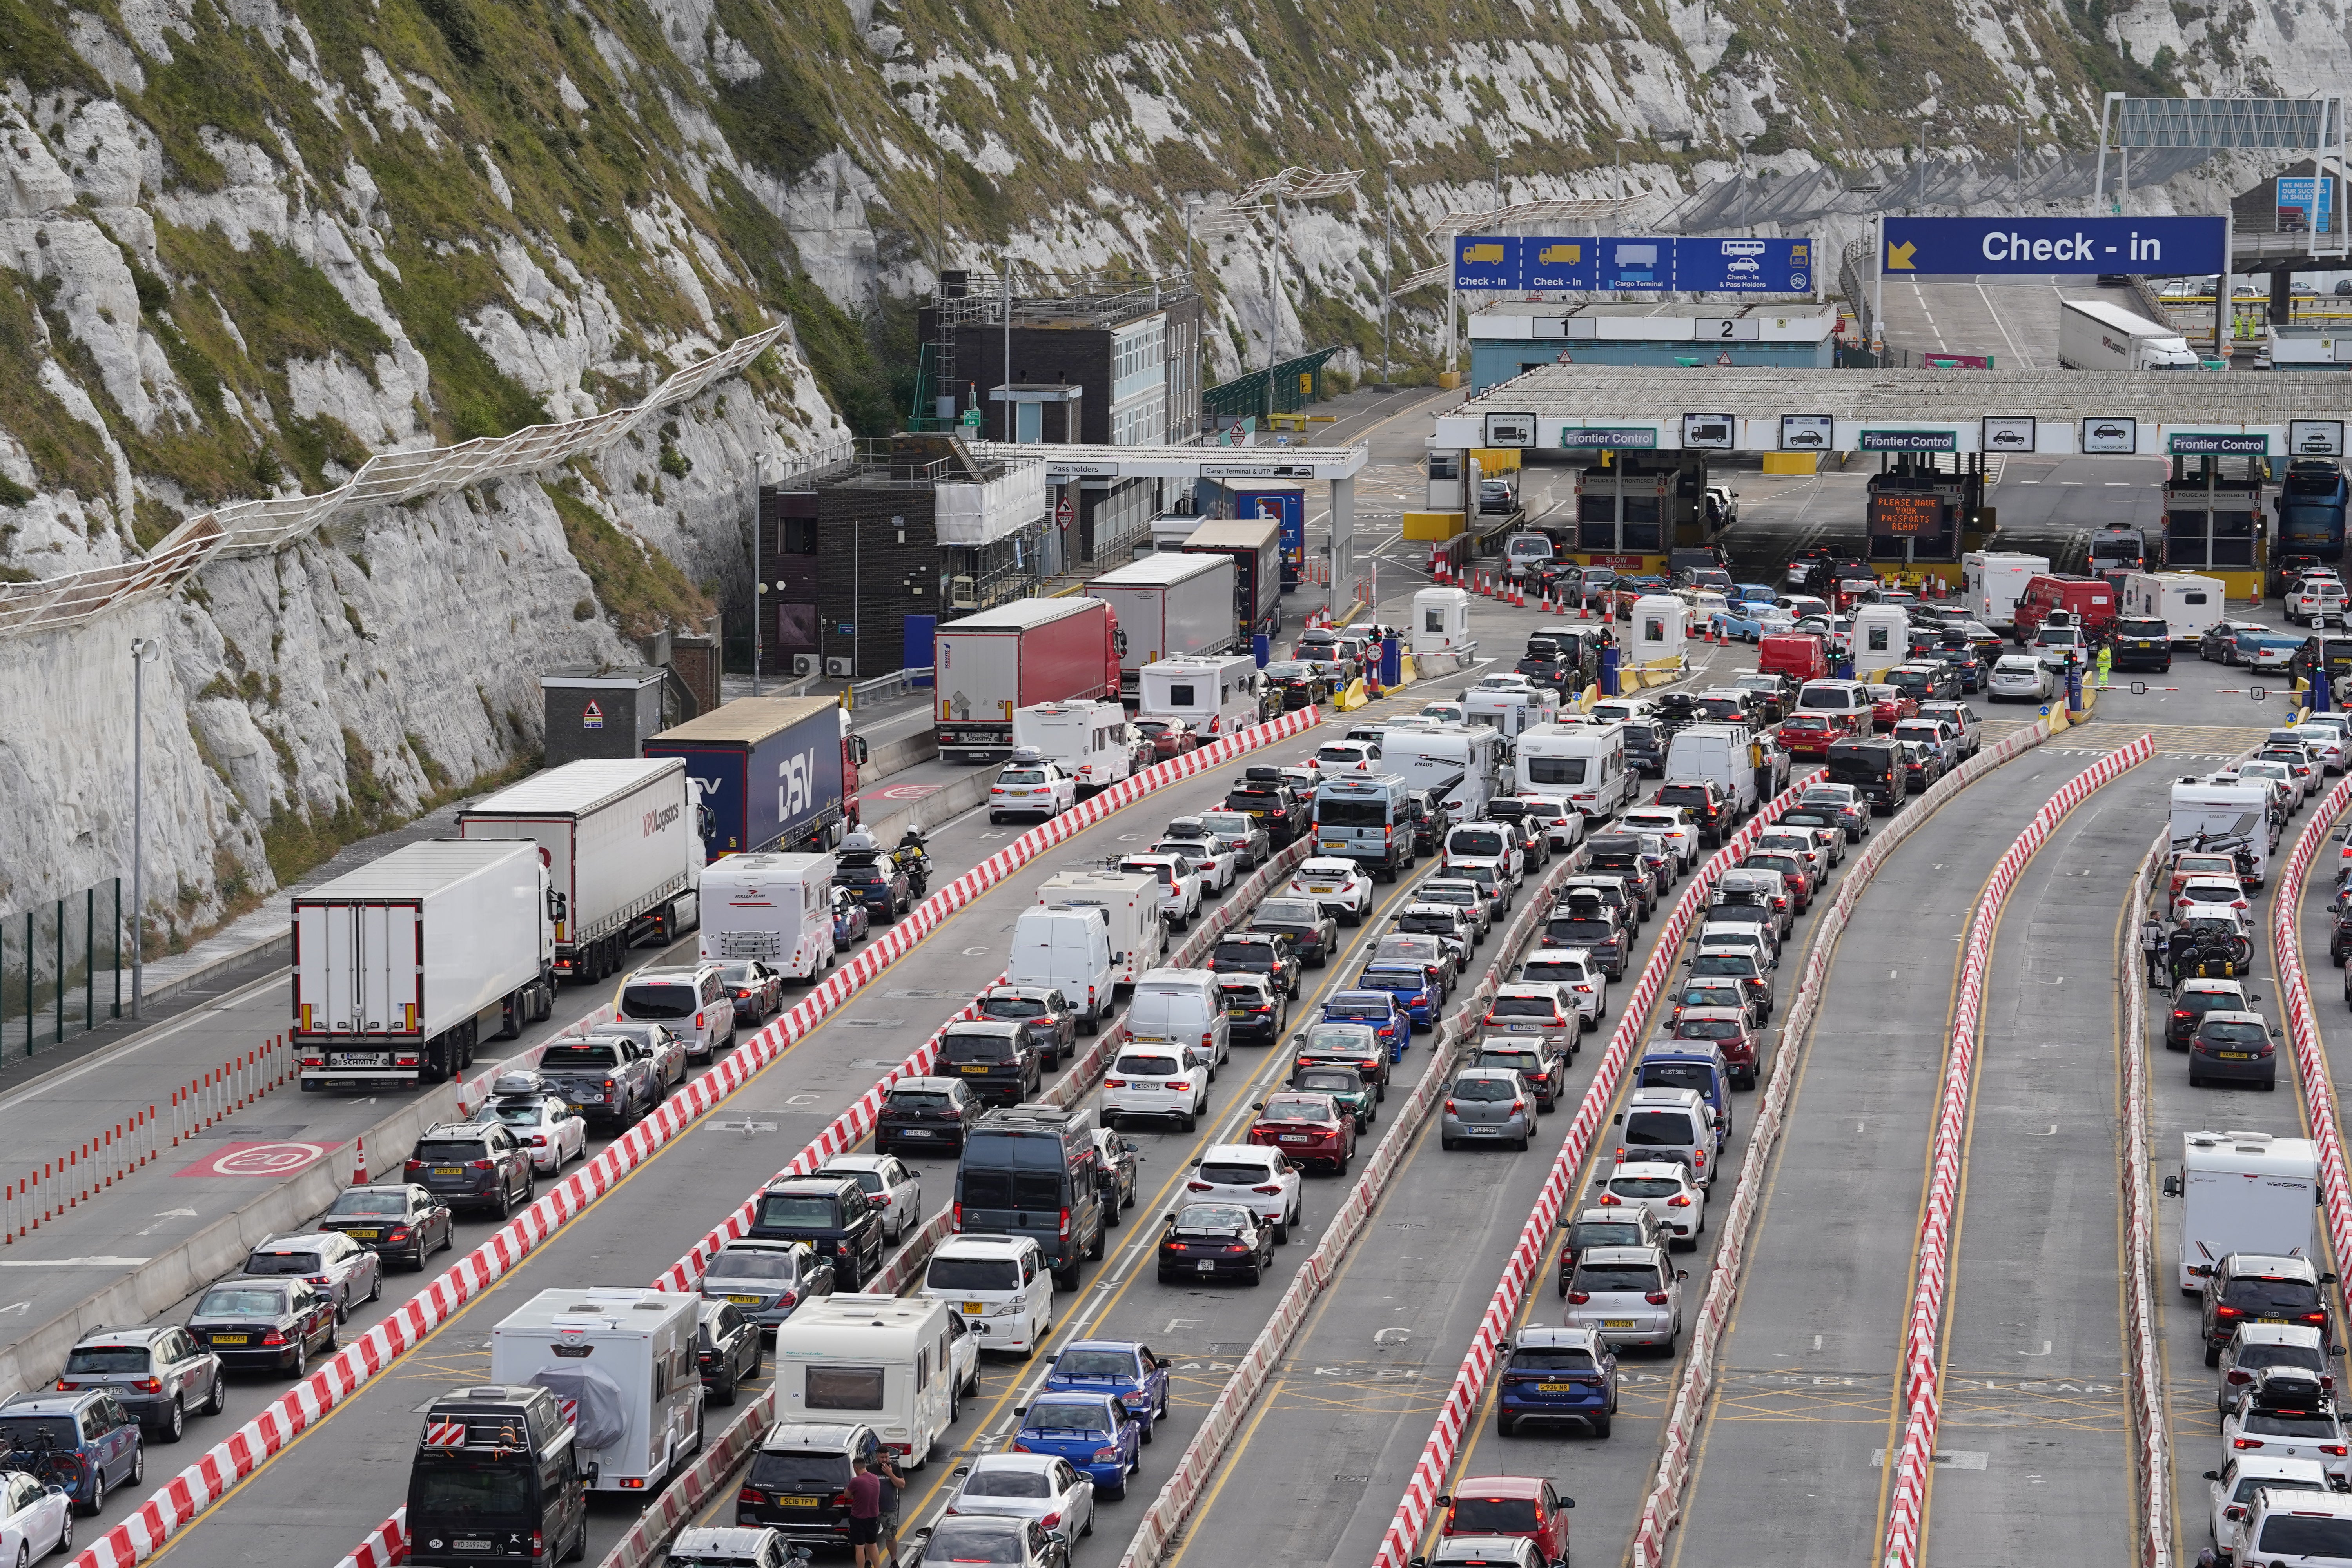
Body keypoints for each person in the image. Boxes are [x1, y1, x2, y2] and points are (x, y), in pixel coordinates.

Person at [846, 1451, 903, 1568]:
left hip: (888, 1509)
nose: (885, 1460)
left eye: (887, 1457)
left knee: (889, 1536)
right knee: (871, 1542)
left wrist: (890, 1474)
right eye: (882, 1457)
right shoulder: (872, 1471)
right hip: (873, 1512)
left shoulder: (896, 1468)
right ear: (877, 1456)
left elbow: (902, 1485)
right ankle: (869, 1562)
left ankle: (894, 1561)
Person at [2140, 916, 2166, 987]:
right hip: (2155, 948)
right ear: (2154, 916)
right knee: (2162, 965)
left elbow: (2141, 938)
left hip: (2146, 948)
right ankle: (2161, 983)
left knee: (2150, 965)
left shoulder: (2144, 925)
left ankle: (2151, 983)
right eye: (2159, 915)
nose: (2160, 917)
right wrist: (2163, 950)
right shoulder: (2158, 926)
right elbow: (2162, 938)